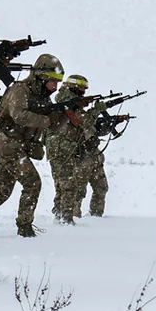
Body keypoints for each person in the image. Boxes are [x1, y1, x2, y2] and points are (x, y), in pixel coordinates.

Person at [0, 53, 68, 237]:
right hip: (8, 145)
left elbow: (53, 127)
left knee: (0, 193)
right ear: (41, 77)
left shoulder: (44, 98)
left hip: (16, 146)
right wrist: (47, 120)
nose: (55, 87)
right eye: (52, 81)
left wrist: (64, 115)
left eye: (58, 82)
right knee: (32, 183)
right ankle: (24, 227)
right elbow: (19, 116)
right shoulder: (20, 90)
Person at [45, 74, 107, 224]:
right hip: (62, 148)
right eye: (81, 89)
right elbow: (83, 122)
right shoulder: (67, 103)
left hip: (60, 148)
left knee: (62, 185)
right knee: (68, 185)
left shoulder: (65, 101)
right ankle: (65, 219)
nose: (83, 92)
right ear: (74, 88)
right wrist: (96, 110)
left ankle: (60, 214)